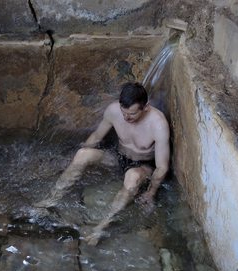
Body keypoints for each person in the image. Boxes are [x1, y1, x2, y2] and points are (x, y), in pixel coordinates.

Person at [35, 82, 170, 245]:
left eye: (133, 114)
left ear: (145, 107)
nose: (127, 118)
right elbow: (97, 136)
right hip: (119, 157)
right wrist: (73, 158)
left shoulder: (158, 124)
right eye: (124, 112)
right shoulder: (113, 111)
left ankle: (101, 226)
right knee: (83, 154)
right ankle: (50, 200)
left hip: (143, 165)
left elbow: (162, 166)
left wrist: (150, 192)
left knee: (133, 177)